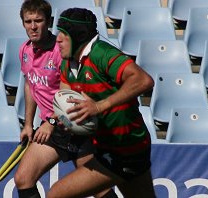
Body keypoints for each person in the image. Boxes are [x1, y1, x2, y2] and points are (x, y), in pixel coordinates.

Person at [47, 8, 156, 198]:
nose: (57, 39)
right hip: (108, 146)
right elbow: (65, 98)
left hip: (126, 147)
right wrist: (62, 118)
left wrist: (98, 106)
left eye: (64, 33)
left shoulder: (102, 54)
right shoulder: (68, 61)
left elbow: (144, 80)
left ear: (78, 36)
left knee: (56, 195)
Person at [14, 1, 118, 198]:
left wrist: (51, 122)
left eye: (39, 20)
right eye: (28, 21)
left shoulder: (62, 52)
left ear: (49, 21)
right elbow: (30, 84)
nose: (33, 26)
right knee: (23, 179)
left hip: (75, 124)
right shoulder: (24, 51)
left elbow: (73, 91)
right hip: (53, 127)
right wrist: (28, 124)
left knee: (99, 189)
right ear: (23, 23)